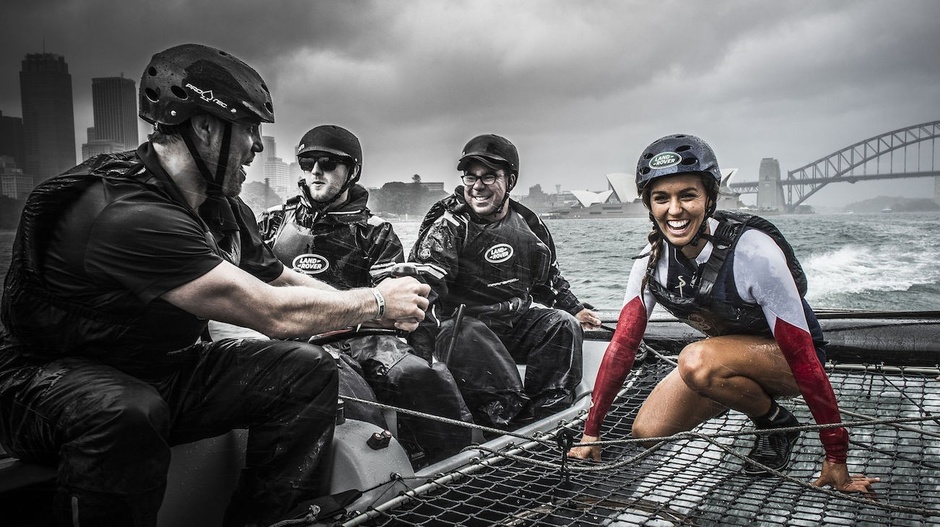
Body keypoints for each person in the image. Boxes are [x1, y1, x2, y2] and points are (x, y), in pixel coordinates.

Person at [0, 43, 430, 527]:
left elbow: (279, 277)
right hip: (44, 383)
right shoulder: (125, 214)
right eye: (249, 129)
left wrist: (378, 312)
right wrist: (374, 301)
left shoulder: (221, 206)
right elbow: (271, 311)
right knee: (123, 412)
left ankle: (269, 520)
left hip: (160, 369)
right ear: (204, 126)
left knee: (305, 370)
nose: (258, 146)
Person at [567, 133, 877, 495]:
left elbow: (804, 357)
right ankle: (776, 420)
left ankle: (770, 421)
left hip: (787, 363)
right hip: (728, 360)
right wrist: (591, 430)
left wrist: (836, 453)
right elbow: (622, 345)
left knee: (696, 359)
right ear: (649, 206)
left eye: (688, 195)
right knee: (646, 432)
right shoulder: (650, 263)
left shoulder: (754, 253)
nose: (675, 210)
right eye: (661, 198)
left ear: (709, 198)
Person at [258, 124, 473, 465]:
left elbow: (396, 307)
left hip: (362, 332)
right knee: (346, 390)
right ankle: (378, 473)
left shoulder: (375, 232)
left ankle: (453, 466)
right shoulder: (270, 224)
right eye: (307, 162)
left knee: (416, 374)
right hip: (288, 333)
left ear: (352, 171)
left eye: (328, 162)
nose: (316, 171)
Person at [408, 133, 602, 429]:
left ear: (510, 181)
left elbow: (548, 279)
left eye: (489, 177)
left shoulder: (529, 225)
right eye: (470, 177)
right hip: (460, 335)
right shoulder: (449, 226)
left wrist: (575, 309)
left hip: (511, 326)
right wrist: (422, 356)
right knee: (465, 332)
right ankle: (507, 421)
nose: (478, 186)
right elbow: (423, 291)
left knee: (562, 325)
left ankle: (547, 418)